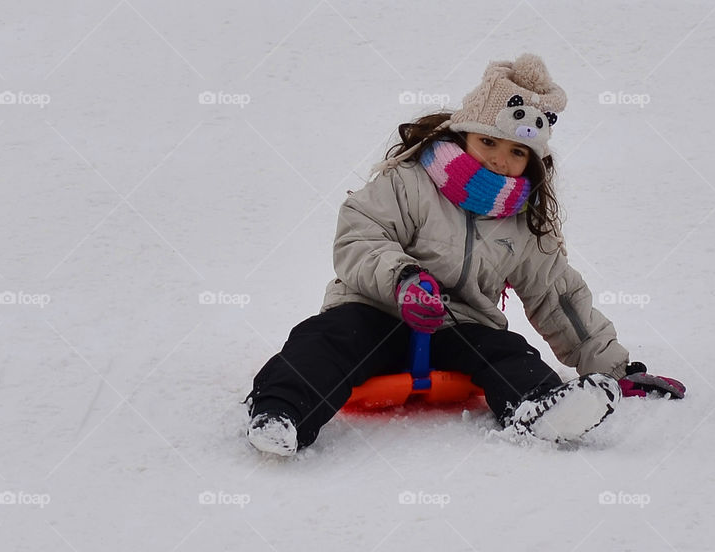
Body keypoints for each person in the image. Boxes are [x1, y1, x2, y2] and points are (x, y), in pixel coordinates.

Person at [243, 53, 685, 456]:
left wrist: (614, 368)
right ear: (464, 131)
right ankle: (281, 411)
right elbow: (360, 237)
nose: (499, 159)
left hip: (461, 324)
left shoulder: (523, 221)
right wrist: (404, 279)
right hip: (374, 309)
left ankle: (539, 410)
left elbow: (558, 295)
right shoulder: (409, 182)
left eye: (517, 152)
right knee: (323, 340)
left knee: (509, 353)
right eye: (489, 142)